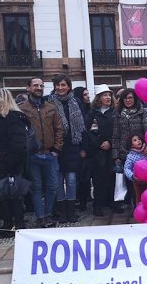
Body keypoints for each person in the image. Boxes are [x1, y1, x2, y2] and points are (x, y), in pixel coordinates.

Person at [18, 77, 64, 228]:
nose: (39, 87)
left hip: (50, 154)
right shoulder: (22, 108)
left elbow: (59, 128)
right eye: (35, 85)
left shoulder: (51, 107)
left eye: (41, 85)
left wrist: (57, 149)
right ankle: (40, 216)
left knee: (53, 186)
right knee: (36, 187)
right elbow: (19, 132)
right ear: (28, 88)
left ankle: (49, 214)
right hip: (33, 155)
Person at [0, 89, 29, 239]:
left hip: (9, 166)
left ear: (2, 101)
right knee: (1, 197)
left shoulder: (14, 118)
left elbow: (18, 145)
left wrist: (9, 165)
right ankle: (7, 224)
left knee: (14, 197)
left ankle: (18, 225)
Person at [48, 75, 86, 223]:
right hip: (56, 146)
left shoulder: (75, 101)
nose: (60, 88)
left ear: (68, 86)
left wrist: (83, 147)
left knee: (71, 179)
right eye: (57, 85)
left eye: (63, 85)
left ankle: (71, 210)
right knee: (58, 179)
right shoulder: (49, 102)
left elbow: (83, 126)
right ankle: (62, 211)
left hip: (73, 145)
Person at [112, 87, 147, 206]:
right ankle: (134, 207)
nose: (128, 100)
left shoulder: (142, 112)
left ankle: (146, 204)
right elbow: (115, 135)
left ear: (135, 99)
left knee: (144, 182)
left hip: (141, 151)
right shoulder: (118, 114)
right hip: (125, 152)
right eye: (125, 98)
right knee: (131, 182)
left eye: (130, 98)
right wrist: (116, 156)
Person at [86, 85, 116, 217]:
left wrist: (109, 141)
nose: (108, 97)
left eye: (109, 95)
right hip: (98, 151)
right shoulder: (92, 113)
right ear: (99, 98)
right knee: (98, 179)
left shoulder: (115, 112)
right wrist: (99, 144)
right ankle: (97, 205)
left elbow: (117, 130)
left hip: (112, 149)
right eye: (104, 95)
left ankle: (111, 202)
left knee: (112, 177)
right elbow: (88, 132)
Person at [72, 86, 92, 213]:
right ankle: (82, 201)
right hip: (81, 148)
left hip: (91, 147)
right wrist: (83, 148)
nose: (88, 97)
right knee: (82, 177)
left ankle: (86, 198)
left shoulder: (90, 110)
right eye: (85, 95)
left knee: (87, 176)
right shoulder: (77, 111)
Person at [123, 133, 147, 202]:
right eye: (135, 140)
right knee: (139, 198)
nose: (138, 141)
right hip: (137, 181)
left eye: (139, 139)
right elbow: (126, 168)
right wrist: (132, 176)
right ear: (131, 145)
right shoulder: (130, 156)